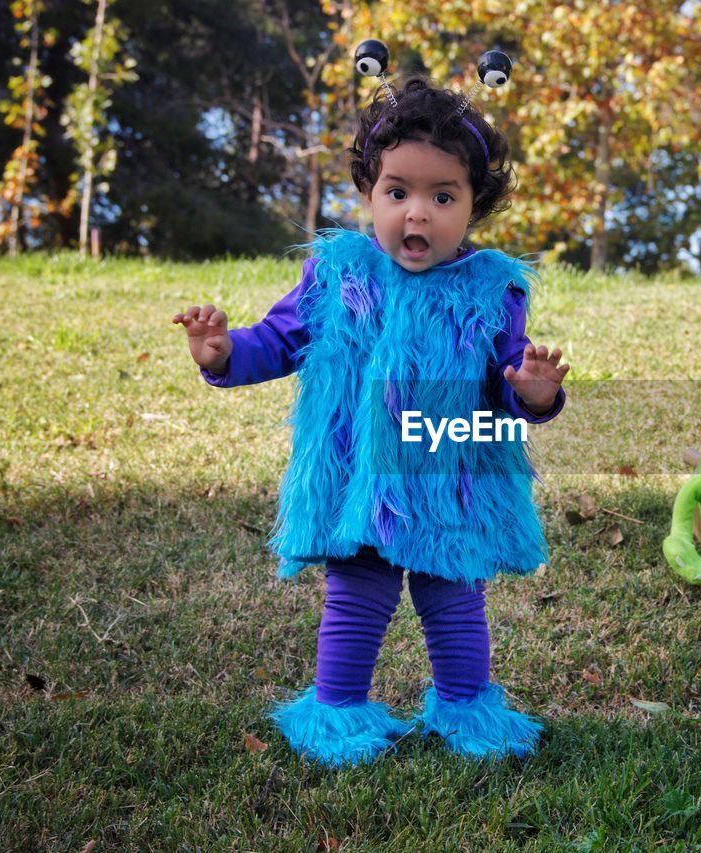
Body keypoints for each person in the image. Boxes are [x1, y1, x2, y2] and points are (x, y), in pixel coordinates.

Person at [171, 72, 568, 765]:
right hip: (358, 475)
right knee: (356, 596)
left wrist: (532, 390)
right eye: (398, 192)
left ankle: (468, 708)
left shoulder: (491, 287)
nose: (418, 213)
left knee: (454, 597)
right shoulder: (339, 273)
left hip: (449, 476)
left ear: (474, 206)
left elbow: (508, 378)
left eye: (443, 196)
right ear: (367, 195)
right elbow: (280, 339)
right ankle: (338, 713)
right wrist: (224, 350)